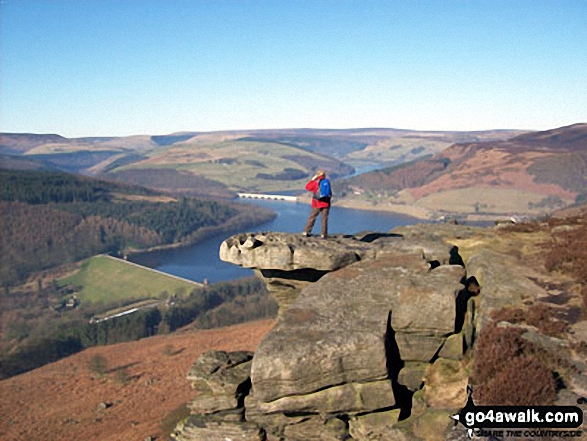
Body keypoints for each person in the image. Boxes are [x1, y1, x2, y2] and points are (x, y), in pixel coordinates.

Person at [302, 170, 332, 238]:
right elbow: (329, 192)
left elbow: (307, 187)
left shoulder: (316, 182)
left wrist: (313, 179)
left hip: (317, 203)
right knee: (324, 219)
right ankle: (323, 234)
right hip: (326, 203)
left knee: (312, 217)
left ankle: (306, 231)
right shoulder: (327, 181)